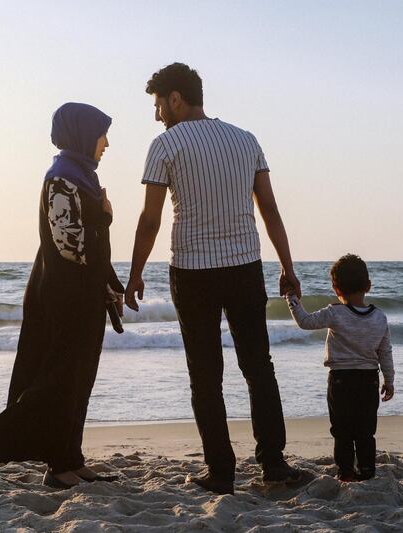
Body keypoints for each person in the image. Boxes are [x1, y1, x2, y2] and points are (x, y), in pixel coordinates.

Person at [124, 63, 302, 495]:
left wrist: (134, 274)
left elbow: (150, 220)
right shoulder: (246, 140)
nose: (157, 115)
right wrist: (287, 267)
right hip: (244, 267)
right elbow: (270, 210)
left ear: (175, 99)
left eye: (157, 104)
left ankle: (221, 472)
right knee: (259, 367)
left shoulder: (165, 145)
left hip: (192, 272)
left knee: (205, 375)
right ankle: (273, 464)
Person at [0, 103, 124, 489]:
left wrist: (107, 285)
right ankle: (57, 465)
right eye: (101, 134)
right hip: (64, 297)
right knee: (62, 377)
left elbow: (89, 246)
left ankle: (71, 459)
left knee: (79, 378)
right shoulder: (62, 177)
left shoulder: (82, 176)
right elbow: (69, 243)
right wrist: (106, 216)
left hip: (82, 294)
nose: (106, 143)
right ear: (81, 134)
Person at [285, 254, 394, 481]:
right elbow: (385, 352)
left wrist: (291, 297)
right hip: (369, 380)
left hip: (340, 381)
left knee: (342, 431)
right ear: (368, 286)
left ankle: (345, 472)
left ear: (336, 288)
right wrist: (389, 380)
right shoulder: (380, 317)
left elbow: (305, 321)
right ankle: (366, 470)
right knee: (365, 431)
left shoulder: (335, 313)